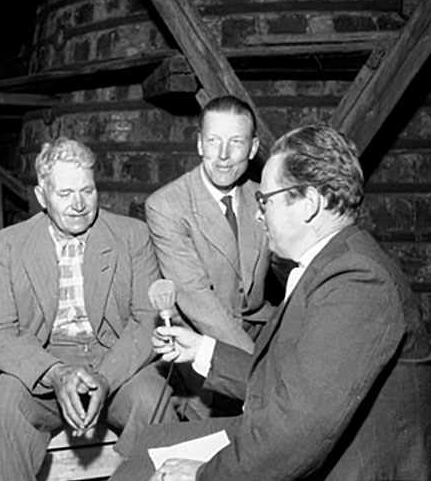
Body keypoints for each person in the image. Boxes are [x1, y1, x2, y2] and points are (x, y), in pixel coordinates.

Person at [110, 124, 431, 481]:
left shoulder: (356, 280)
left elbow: (298, 428)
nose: (258, 214)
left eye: (266, 200)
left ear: (309, 204)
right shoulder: (333, 262)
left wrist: (203, 475)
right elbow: (284, 381)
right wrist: (202, 350)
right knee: (147, 455)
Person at [0, 137, 180, 481]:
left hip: (117, 364)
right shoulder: (9, 245)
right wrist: (56, 373)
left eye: (87, 191)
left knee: (153, 400)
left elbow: (146, 320)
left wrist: (105, 377)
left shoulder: (132, 236)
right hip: (43, 367)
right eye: (65, 194)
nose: (79, 205)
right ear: (42, 197)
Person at [146, 95, 283, 355]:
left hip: (262, 328)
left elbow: (289, 267)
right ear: (200, 144)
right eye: (213, 141)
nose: (223, 155)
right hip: (200, 339)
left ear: (253, 148)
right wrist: (252, 363)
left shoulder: (264, 197)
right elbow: (197, 298)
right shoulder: (166, 205)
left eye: (236, 142)